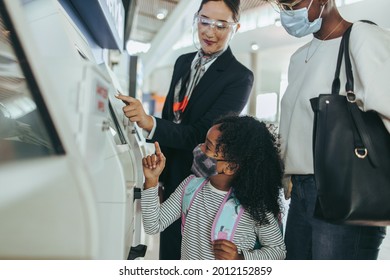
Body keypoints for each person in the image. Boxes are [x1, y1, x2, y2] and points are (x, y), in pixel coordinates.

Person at [116, 0, 253, 260]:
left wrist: (150, 123)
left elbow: (201, 134)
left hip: (203, 184)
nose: (209, 32)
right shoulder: (183, 63)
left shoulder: (239, 77)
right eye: (204, 21)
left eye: (221, 25)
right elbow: (173, 117)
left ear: (236, 27)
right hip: (172, 177)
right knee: (168, 251)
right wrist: (158, 175)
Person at [266, 0, 389, 259]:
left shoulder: (361, 37)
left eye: (294, 4)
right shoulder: (299, 57)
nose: (289, 13)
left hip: (344, 187)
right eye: (283, 7)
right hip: (301, 191)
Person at [140, 115, 286, 260]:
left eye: (208, 147)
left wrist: (241, 259)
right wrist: (151, 180)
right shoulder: (189, 187)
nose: (199, 148)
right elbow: (153, 225)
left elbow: (278, 251)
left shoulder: (255, 205)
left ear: (230, 167)